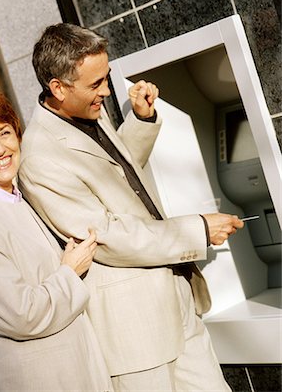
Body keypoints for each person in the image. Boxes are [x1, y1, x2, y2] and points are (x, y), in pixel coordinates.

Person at [18, 23, 244, 392]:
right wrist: (198, 230)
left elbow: (116, 181)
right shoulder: (39, 158)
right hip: (137, 332)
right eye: (96, 85)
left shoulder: (88, 111)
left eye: (106, 78)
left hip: (176, 296)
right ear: (58, 88)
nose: (106, 92)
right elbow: (105, 236)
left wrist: (140, 121)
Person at [0, 88, 113, 392]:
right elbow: (21, 315)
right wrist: (70, 271)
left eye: (4, 133)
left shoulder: (18, 197)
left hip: (76, 368)